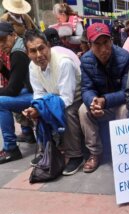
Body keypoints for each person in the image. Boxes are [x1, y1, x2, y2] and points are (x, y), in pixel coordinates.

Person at [23, 30, 84, 176]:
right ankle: (46, 150)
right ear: (27, 53)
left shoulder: (64, 62)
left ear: (48, 46)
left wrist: (44, 107)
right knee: (36, 108)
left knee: (67, 112)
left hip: (75, 98)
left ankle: (76, 155)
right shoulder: (33, 66)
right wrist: (37, 107)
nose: (39, 55)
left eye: (41, 48)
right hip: (53, 97)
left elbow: (67, 99)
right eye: (33, 51)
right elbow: (38, 93)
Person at [79, 23, 129, 173]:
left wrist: (105, 101)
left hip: (118, 102)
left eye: (106, 42)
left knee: (125, 109)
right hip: (99, 103)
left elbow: (128, 91)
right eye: (97, 44)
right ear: (90, 45)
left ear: (111, 40)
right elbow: (86, 89)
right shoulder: (86, 61)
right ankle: (95, 153)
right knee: (83, 110)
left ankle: (123, 152)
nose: (104, 49)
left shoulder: (124, 57)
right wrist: (93, 102)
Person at [0, 22, 33, 164]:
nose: (1, 45)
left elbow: (13, 90)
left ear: (13, 35)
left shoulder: (18, 53)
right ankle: (27, 133)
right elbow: (16, 83)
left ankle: (11, 149)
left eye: (2, 40)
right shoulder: (19, 46)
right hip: (34, 90)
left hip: (40, 94)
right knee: (12, 95)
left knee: (1, 102)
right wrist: (2, 68)